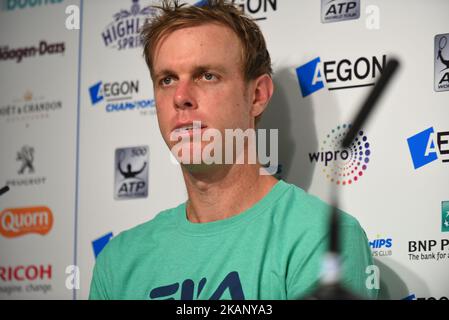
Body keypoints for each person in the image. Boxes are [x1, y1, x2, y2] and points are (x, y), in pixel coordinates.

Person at [89, 0, 377, 300]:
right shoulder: (119, 261)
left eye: (206, 75)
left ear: (257, 95)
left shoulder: (321, 239)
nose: (181, 97)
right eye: (167, 79)